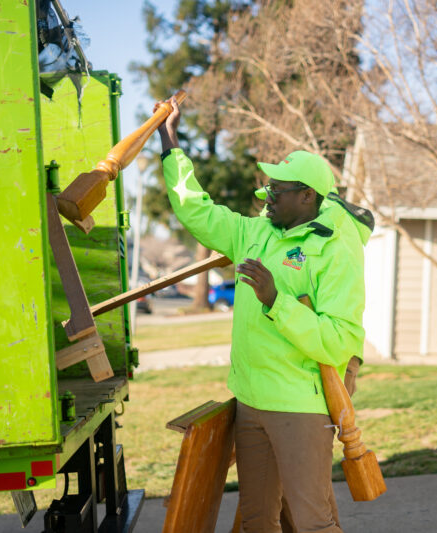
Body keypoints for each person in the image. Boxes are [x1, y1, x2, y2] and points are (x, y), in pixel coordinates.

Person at [156, 96, 366, 533]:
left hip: (299, 409)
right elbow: (197, 210)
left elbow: (341, 339)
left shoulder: (334, 251)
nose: (266, 195)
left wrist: (276, 302)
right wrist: (169, 141)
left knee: (312, 523)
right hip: (251, 404)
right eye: (267, 187)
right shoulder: (253, 232)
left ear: (307, 196)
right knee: (256, 521)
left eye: (277, 190)